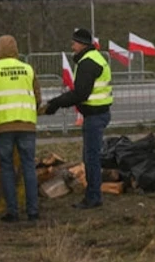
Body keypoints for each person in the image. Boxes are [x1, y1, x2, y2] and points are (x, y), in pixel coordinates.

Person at [41, 28, 112, 209]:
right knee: (90, 157)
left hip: (94, 115)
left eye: (74, 43)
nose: (72, 46)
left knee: (91, 159)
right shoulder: (94, 58)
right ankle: (93, 196)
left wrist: (55, 103)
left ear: (82, 44)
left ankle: (93, 198)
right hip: (98, 113)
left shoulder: (88, 63)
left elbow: (80, 94)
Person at [0, 35, 42, 222]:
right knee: (29, 166)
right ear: (16, 49)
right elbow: (38, 98)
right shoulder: (28, 69)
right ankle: (33, 211)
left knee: (7, 167)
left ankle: (12, 211)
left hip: (3, 125)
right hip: (27, 124)